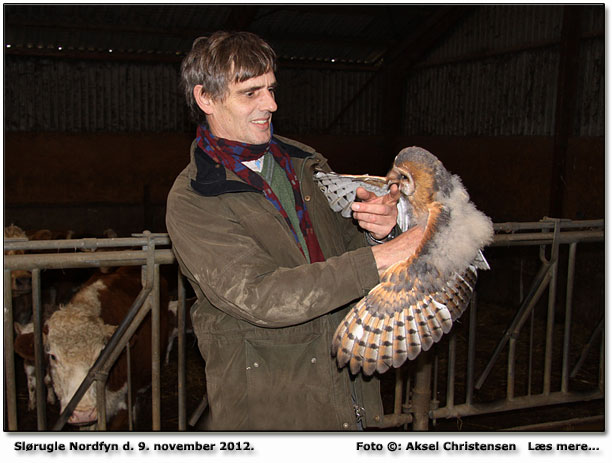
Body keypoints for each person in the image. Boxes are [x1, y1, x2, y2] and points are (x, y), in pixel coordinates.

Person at [166, 31, 424, 431]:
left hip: (344, 387)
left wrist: (379, 232)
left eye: (270, 89)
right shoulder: (195, 198)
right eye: (250, 93)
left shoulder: (304, 164)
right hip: (271, 405)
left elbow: (344, 252)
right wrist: (383, 256)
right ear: (206, 99)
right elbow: (261, 296)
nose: (270, 104)